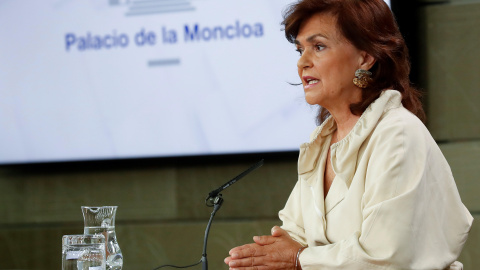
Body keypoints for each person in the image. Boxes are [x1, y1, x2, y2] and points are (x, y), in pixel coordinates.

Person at [224, 0, 473, 269]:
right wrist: (273, 255)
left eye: (318, 47)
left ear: (365, 57)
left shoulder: (398, 134)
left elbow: (386, 258)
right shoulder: (321, 143)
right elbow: (294, 236)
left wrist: (298, 258)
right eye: (300, 50)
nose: (302, 63)